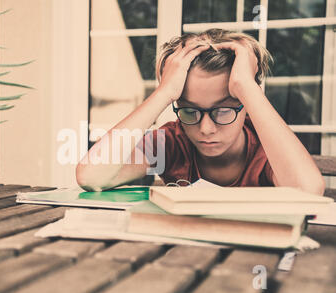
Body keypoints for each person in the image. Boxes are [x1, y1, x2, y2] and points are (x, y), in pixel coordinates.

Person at [76, 28, 325, 195]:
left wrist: (248, 87)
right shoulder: (171, 143)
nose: (206, 129)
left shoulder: (268, 148)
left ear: (247, 103)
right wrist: (163, 93)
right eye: (189, 111)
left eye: (224, 110)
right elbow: (91, 176)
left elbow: (308, 191)